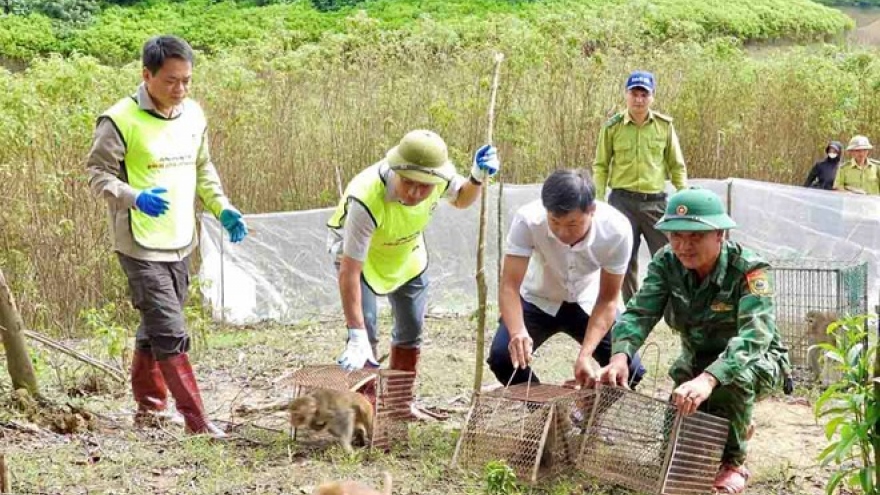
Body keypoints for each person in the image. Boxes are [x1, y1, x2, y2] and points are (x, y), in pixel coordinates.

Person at [87, 35, 248, 439]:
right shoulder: (119, 119)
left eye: (187, 81)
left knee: (154, 325)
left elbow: (203, 166)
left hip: (180, 238)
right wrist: (133, 196)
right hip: (140, 243)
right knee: (171, 329)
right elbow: (97, 175)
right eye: (171, 81)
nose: (180, 90)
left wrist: (223, 207)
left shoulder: (192, 114)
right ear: (147, 75)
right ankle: (196, 421)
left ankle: (150, 410)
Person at [593, 188, 791, 494]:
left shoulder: (750, 270)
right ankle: (731, 424)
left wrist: (710, 378)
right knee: (680, 429)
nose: (683, 246)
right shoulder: (666, 262)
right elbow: (639, 312)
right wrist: (620, 356)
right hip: (697, 358)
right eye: (675, 236)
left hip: (757, 359)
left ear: (720, 234)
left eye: (695, 236)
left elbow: (755, 336)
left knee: (732, 382)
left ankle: (734, 463)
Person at [326, 130, 499, 418]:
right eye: (408, 183)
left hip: (407, 255)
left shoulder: (438, 177)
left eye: (425, 187)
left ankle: (399, 405)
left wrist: (477, 177)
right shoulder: (366, 198)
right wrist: (355, 334)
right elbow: (350, 271)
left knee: (411, 327)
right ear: (395, 170)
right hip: (361, 261)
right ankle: (365, 412)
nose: (416, 194)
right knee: (365, 329)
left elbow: (461, 199)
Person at [486, 169, 645, 388]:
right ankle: (547, 413)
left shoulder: (616, 230)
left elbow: (608, 299)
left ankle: (583, 415)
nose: (562, 232)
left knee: (629, 368)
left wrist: (584, 355)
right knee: (503, 358)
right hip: (538, 299)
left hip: (589, 302)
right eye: (554, 222)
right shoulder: (528, 220)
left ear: (592, 210)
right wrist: (517, 332)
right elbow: (509, 287)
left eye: (572, 224)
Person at [592, 70, 688, 304]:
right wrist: (598, 201)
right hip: (622, 203)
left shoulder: (664, 126)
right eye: (634, 93)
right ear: (626, 95)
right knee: (623, 259)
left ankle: (673, 308)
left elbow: (676, 165)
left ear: (652, 97)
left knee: (669, 257)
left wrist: (683, 196)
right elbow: (601, 165)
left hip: (655, 202)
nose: (638, 99)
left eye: (644, 94)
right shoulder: (612, 127)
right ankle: (632, 310)